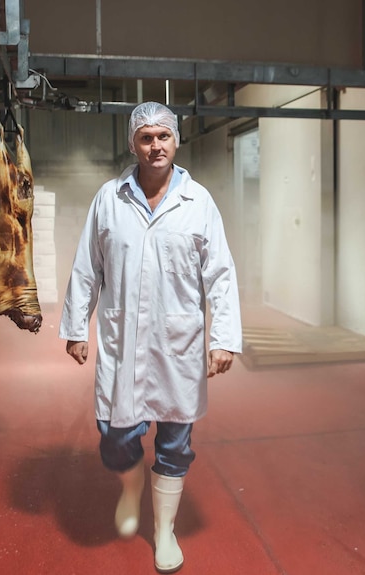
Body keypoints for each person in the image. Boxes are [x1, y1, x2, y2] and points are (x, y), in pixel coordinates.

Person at [59, 101, 242, 573]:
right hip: (122, 339)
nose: (155, 146)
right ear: (133, 144)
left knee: (175, 441)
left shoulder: (199, 202)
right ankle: (131, 486)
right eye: (146, 138)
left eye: (163, 136)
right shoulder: (109, 198)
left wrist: (222, 338)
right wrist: (77, 327)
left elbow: (220, 275)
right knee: (115, 436)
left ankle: (163, 530)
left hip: (178, 343)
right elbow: (87, 268)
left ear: (175, 140)